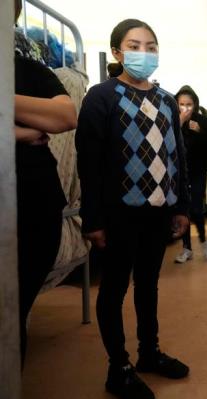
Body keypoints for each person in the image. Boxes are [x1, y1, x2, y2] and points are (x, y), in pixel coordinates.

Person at [75, 19, 191, 399]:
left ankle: (149, 352)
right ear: (117, 52)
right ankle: (118, 366)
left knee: (149, 285)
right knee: (113, 289)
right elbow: (87, 163)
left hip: (158, 211)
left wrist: (180, 206)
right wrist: (92, 219)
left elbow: (178, 157)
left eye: (151, 46)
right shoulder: (101, 97)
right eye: (135, 45)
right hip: (118, 214)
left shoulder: (167, 100)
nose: (144, 52)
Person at [12, 0, 78, 365]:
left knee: (12, 311)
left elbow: (64, 116)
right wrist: (24, 131)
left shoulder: (29, 69)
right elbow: (45, 122)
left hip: (35, 204)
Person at [173, 85, 207, 263]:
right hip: (178, 172)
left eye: (189, 104)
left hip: (198, 170)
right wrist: (180, 122)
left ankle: (204, 240)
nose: (185, 108)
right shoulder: (172, 120)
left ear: (195, 104)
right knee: (183, 210)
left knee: (197, 209)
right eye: (181, 104)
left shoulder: (203, 121)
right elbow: (168, 142)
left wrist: (199, 131)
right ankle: (186, 248)